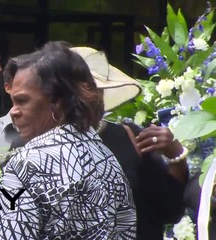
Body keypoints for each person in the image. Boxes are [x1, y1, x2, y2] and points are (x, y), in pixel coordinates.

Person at [0, 43, 136, 239]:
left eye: (22, 101)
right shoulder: (108, 158)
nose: (13, 111)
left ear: (57, 100)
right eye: (13, 102)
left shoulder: (28, 163)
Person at [71, 46, 188, 240]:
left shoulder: (129, 136)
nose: (93, 98)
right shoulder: (35, 149)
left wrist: (176, 156)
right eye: (83, 89)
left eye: (97, 89)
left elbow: (169, 209)